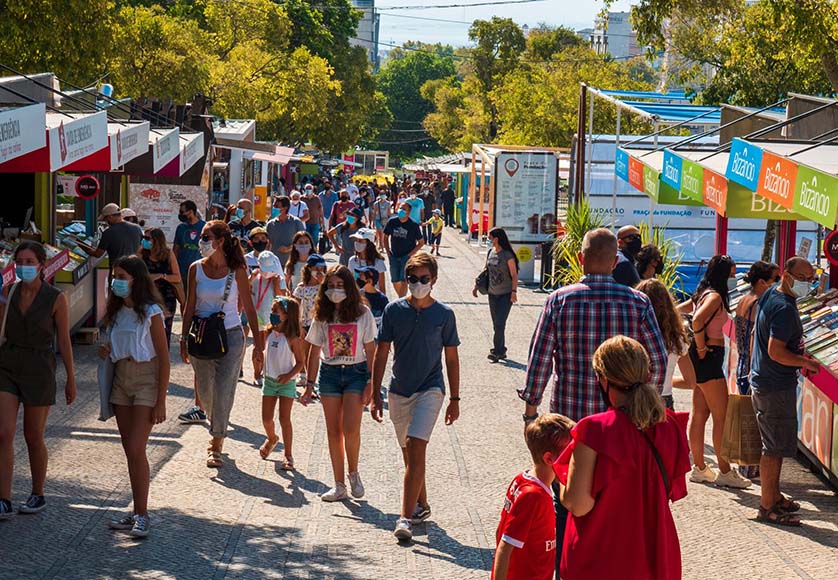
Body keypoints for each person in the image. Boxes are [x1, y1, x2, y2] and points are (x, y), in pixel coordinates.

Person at [520, 228, 667, 572]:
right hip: (622, 431)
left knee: (566, 509)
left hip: (570, 433)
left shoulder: (559, 300)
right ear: (617, 262)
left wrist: (531, 412)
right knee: (617, 510)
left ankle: (564, 568)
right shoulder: (638, 302)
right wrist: (640, 406)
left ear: (581, 259)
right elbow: (657, 363)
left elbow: (539, 359)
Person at [555, 336, 691, 580]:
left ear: (603, 380)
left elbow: (578, 503)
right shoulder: (669, 425)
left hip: (602, 559)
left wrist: (562, 477)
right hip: (656, 556)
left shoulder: (594, 430)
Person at [371, 253, 460, 541]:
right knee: (409, 453)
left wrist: (455, 398)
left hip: (431, 389)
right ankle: (421, 504)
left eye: (424, 279)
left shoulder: (444, 315)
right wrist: (375, 393)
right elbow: (382, 352)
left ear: (433, 280)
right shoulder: (393, 311)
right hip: (399, 390)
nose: (418, 284)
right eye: (413, 279)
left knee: (415, 446)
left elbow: (452, 358)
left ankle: (405, 518)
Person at [179, 221, 264, 468]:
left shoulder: (236, 269)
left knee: (225, 389)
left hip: (231, 335)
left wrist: (258, 345)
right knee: (205, 393)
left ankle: (216, 443)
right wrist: (183, 338)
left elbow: (249, 306)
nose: (202, 241)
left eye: (207, 237)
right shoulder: (196, 269)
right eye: (202, 237)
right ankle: (216, 422)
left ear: (221, 241)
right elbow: (189, 306)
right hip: (202, 335)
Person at [0, 241, 75, 520]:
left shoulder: (56, 297)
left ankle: (37, 492)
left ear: (42, 265)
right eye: (20, 261)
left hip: (39, 367)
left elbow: (65, 341)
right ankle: (4, 498)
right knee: (4, 433)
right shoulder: (9, 291)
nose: (24, 266)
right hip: (7, 364)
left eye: (30, 262)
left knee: (33, 436)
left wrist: (70, 378)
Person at [100, 256, 170, 538]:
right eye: (115, 275)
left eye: (122, 276)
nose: (117, 280)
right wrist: (105, 351)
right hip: (121, 379)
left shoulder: (151, 311)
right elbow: (112, 344)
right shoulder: (115, 311)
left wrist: (161, 399)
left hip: (146, 379)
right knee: (130, 450)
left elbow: (164, 358)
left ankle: (142, 514)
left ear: (136, 279)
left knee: (137, 448)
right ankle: (136, 510)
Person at [751, 257, 818, 527]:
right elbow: (775, 350)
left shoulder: (771, 295)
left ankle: (773, 495)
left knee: (775, 444)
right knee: (774, 448)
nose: (807, 284)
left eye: (811, 279)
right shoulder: (784, 309)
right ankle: (767, 506)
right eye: (803, 278)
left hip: (767, 382)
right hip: (775, 386)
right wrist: (805, 362)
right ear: (787, 276)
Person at [301, 265, 377, 502]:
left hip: (356, 372)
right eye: (331, 286)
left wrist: (372, 381)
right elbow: (313, 352)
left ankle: (353, 472)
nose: (335, 290)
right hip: (330, 374)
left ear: (349, 287)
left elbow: (371, 348)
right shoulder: (322, 316)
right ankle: (339, 484)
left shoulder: (363, 313)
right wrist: (309, 384)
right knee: (333, 431)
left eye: (340, 285)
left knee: (351, 428)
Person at [687, 254, 752, 489]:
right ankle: (724, 470)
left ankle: (700, 468)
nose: (734, 279)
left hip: (704, 356)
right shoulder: (714, 296)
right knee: (721, 416)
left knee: (700, 412)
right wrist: (702, 347)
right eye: (732, 275)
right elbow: (696, 320)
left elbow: (685, 311)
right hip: (710, 356)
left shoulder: (703, 293)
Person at [492, 414, 575, 580]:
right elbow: (504, 546)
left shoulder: (522, 480)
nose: (575, 459)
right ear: (549, 459)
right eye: (570, 454)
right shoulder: (533, 496)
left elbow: (500, 530)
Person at [260, 296, 305, 471]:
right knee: (266, 418)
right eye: (272, 311)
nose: (272, 315)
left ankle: (288, 455)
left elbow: (300, 362)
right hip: (270, 381)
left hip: (287, 383)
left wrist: (289, 375)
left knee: (284, 418)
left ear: (287, 315)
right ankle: (272, 438)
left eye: (275, 312)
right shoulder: (269, 332)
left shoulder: (293, 338)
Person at [174, 200, 208, 425]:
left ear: (193, 212)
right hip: (184, 273)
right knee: (185, 305)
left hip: (200, 275)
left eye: (185, 213)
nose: (182, 216)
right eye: (180, 213)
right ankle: (187, 329)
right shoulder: (180, 229)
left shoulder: (205, 227)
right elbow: (176, 250)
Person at [636, 279, 691, 410]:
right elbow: (690, 381)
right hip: (664, 400)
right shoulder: (676, 339)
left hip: (637, 398)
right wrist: (666, 379)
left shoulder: (635, 333)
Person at [473, 227, 518, 363]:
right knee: (496, 324)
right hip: (492, 293)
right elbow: (485, 270)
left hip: (505, 294)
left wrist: (514, 292)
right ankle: (502, 349)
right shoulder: (490, 253)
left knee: (499, 323)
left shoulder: (507, 255)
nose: (489, 240)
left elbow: (514, 274)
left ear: (497, 239)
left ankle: (497, 352)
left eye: (490, 238)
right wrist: (476, 285)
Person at [736, 261, 780, 395]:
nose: (779, 282)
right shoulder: (758, 303)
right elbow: (753, 336)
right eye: (776, 279)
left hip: (743, 365)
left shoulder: (744, 299)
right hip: (753, 369)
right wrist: (754, 371)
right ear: (762, 282)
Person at [140, 227, 182, 344]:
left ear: (157, 240)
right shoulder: (142, 253)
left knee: (164, 331)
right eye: (143, 238)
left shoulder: (168, 254)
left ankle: (163, 358)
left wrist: (161, 276)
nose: (144, 241)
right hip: (147, 296)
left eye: (147, 238)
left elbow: (177, 277)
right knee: (146, 330)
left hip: (166, 298)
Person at [250, 251, 286, 386]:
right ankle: (257, 374)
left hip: (274, 317)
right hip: (257, 315)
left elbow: (281, 299)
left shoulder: (279, 278)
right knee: (258, 345)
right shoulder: (255, 277)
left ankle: (272, 373)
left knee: (274, 345)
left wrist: (276, 284)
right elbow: (245, 291)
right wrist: (251, 278)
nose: (267, 273)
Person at [293, 254, 327, 388]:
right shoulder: (302, 287)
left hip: (320, 323)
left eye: (322, 268)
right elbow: (296, 305)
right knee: (303, 351)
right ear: (309, 269)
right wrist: (298, 325)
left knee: (316, 353)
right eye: (316, 268)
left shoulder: (325, 287)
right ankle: (303, 376)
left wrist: (323, 283)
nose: (319, 272)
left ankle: (313, 380)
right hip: (305, 323)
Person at [384, 201, 425, 298]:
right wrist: (388, 252)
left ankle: (401, 299)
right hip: (393, 255)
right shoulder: (392, 222)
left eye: (404, 209)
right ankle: (402, 298)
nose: (401, 210)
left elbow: (421, 242)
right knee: (394, 280)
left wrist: (410, 254)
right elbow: (385, 237)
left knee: (404, 280)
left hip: (406, 257)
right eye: (400, 208)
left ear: (409, 212)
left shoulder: (413, 225)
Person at [266, 196, 306, 268]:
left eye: (277, 206)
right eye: (274, 205)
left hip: (292, 263)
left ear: (285, 208)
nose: (274, 208)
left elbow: (304, 243)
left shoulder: (296, 222)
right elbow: (267, 243)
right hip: (274, 264)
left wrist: (288, 248)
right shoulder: (270, 224)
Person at [348, 227, 387, 294]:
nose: (357, 243)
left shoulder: (378, 263)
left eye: (360, 240)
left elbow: (382, 287)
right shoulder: (352, 261)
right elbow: (350, 283)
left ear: (369, 243)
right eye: (356, 240)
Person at [356, 266, 388, 331]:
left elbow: (386, 320)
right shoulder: (357, 295)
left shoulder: (381, 299)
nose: (358, 279)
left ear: (369, 281)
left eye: (361, 277)